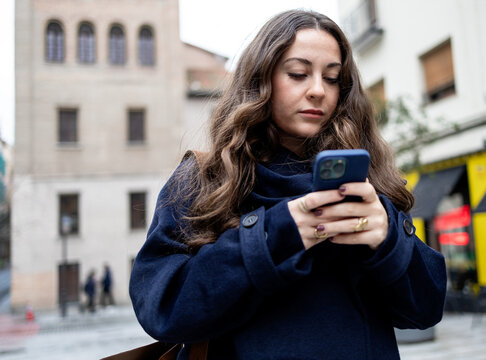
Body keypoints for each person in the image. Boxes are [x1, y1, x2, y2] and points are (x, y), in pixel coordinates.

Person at [130, 9, 447, 359]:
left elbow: (426, 310)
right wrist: (276, 236)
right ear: (261, 77)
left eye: (331, 78)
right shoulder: (205, 178)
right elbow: (161, 308)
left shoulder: (368, 179)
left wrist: (389, 241)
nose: (317, 91)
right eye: (298, 73)